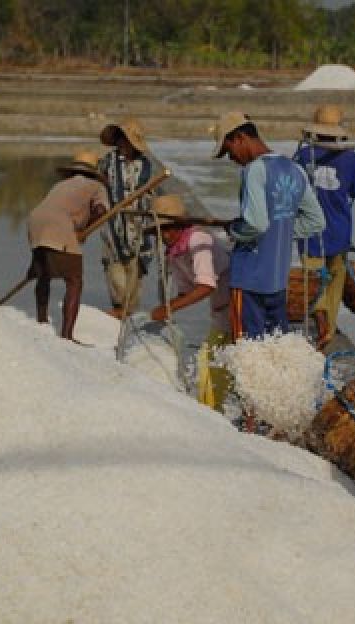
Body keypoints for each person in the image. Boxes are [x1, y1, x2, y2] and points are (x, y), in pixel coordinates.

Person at [212, 111, 325, 340]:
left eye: (228, 150)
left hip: (248, 279)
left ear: (240, 138)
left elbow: (255, 223)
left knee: (247, 349)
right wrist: (280, 231)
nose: (231, 158)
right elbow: (316, 222)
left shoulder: (254, 170)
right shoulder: (295, 169)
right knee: (275, 347)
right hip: (276, 280)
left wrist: (234, 230)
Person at [141, 194, 234, 411]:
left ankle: (221, 411)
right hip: (219, 309)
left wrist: (169, 308)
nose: (165, 235)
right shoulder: (174, 252)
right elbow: (186, 291)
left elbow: (206, 285)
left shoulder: (197, 240)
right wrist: (163, 309)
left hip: (238, 302)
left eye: (169, 229)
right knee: (211, 363)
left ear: (181, 226)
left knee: (221, 362)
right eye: (160, 231)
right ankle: (213, 411)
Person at [293, 105, 355, 350]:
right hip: (338, 229)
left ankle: (320, 315)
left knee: (314, 277)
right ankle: (329, 322)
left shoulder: (304, 156)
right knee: (335, 277)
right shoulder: (349, 158)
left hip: (309, 230)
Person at [24, 149, 109, 342]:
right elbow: (101, 210)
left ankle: (42, 321)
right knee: (74, 280)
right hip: (59, 224)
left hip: (35, 221)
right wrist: (84, 229)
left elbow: (51, 209)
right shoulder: (96, 186)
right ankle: (67, 336)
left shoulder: (60, 185)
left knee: (43, 274)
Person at [98, 118, 156, 314]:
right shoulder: (108, 162)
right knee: (115, 275)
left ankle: (127, 317)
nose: (123, 145)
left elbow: (152, 192)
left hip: (139, 226)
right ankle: (118, 310)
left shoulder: (146, 165)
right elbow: (98, 185)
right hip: (113, 225)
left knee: (134, 277)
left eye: (127, 141)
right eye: (121, 140)